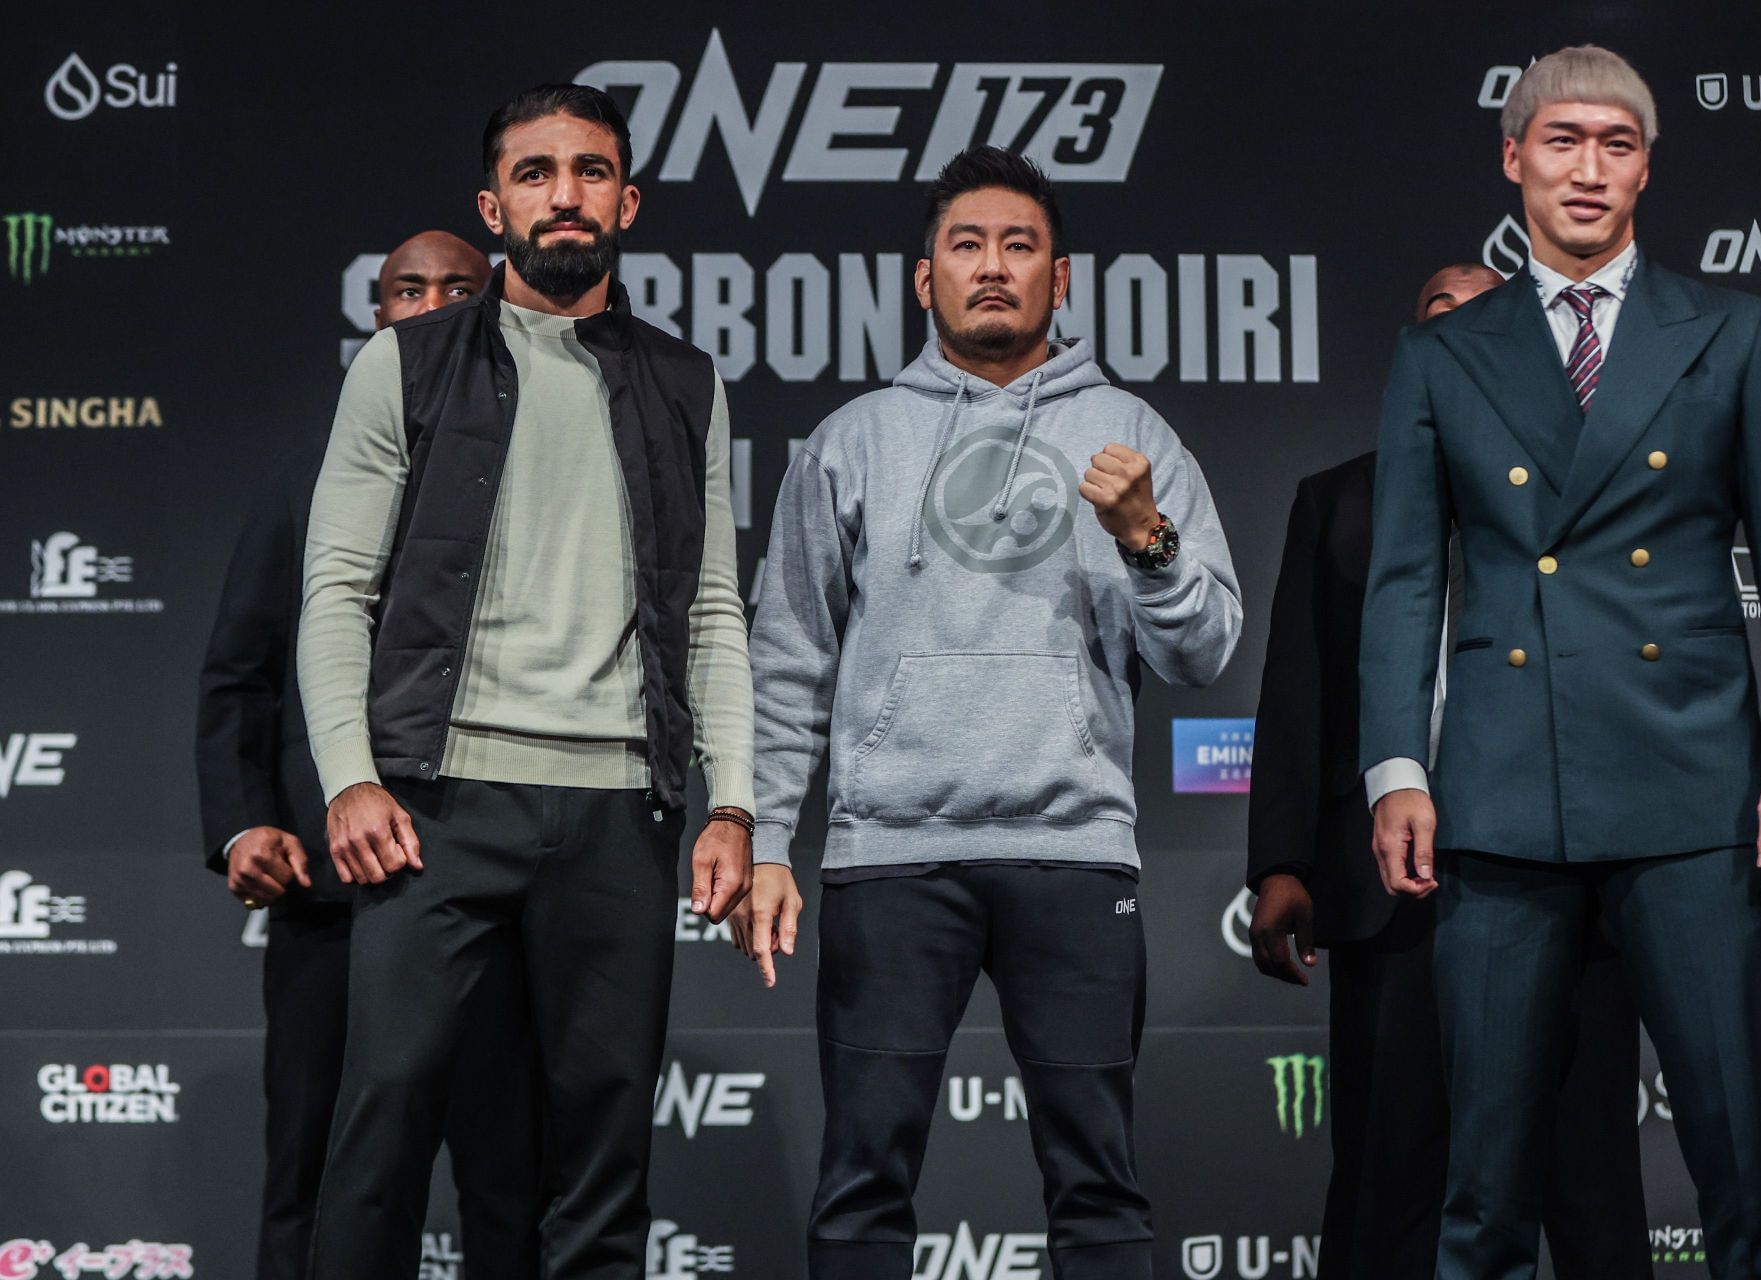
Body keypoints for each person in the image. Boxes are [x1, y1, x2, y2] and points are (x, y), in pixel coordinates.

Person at [1362, 46, 1761, 1278]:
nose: (1588, 169)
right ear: (1512, 156)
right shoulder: (1442, 354)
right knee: (1485, 1193)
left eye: (1616, 145)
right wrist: (1394, 766)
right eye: (1563, 141)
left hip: (1689, 791)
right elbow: (1408, 577)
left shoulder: (1737, 334)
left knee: (1745, 1169)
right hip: (1505, 794)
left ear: (1646, 167)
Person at [745, 145, 1242, 1280]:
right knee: (862, 1185)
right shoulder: (855, 438)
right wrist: (770, 832)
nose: (993, 267)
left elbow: (1205, 648)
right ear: (925, 279)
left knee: (1099, 1186)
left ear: (1061, 280)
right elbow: (787, 657)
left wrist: (1146, 538)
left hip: (1070, 850)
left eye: (1021, 246)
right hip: (891, 855)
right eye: (966, 245)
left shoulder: (1133, 433)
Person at [297, 84, 756, 1278]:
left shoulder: (686, 382)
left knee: (598, 1166)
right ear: (494, 202)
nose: (567, 194)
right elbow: (337, 591)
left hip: (618, 815)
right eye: (539, 171)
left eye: (592, 171)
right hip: (435, 809)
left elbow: (712, 609)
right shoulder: (401, 365)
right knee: (380, 1134)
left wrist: (736, 800)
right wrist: (349, 777)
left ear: (628, 201)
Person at [1247, 262, 1650, 1279]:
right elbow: (1299, 687)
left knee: (1590, 1178)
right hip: (1396, 884)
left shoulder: (1604, 498)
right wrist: (1281, 862)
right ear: (1411, 350)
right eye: (1441, 316)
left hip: (1574, 877)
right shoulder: (1339, 499)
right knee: (1389, 1179)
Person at [195, 229, 542, 1280]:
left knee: (514, 1187)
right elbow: (237, 673)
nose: (433, 304)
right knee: (318, 1177)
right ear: (378, 313)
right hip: (332, 902)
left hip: (503, 891)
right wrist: (244, 819)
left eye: (458, 289)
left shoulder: (550, 476)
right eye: (409, 288)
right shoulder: (307, 478)